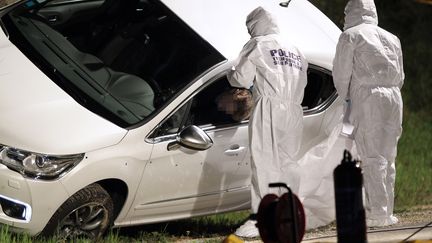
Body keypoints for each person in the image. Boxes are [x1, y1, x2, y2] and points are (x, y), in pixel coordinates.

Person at [227, 6, 308, 238]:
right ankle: (288, 216)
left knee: (264, 163)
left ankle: (260, 220)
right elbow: (303, 81)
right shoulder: (296, 50)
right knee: (288, 164)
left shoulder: (257, 44)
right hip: (294, 109)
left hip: (269, 107)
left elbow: (241, 77)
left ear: (255, 27)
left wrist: (229, 74)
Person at [332, 0, 404, 227]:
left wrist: (343, 99)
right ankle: (388, 211)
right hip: (394, 97)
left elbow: (341, 74)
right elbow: (400, 76)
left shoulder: (351, 36)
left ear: (351, 11)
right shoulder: (392, 37)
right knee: (388, 155)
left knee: (372, 155)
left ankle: (378, 213)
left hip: (368, 96)